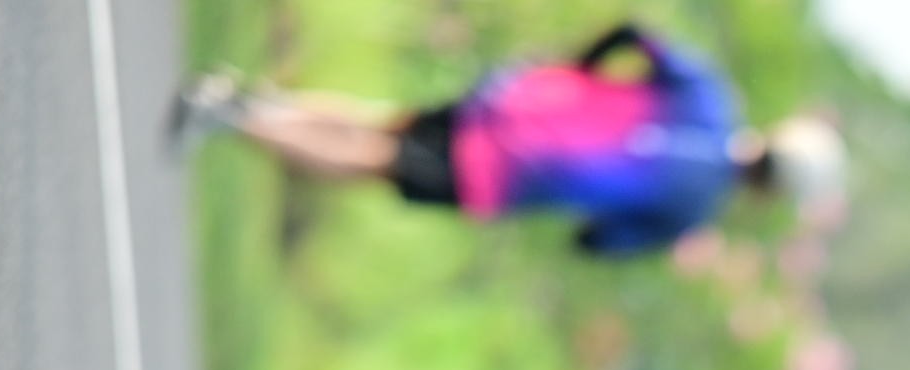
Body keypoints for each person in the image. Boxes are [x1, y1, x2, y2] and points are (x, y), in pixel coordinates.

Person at [169, 22, 846, 256]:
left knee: (386, 123)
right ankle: (233, 118)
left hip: (518, 99)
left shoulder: (711, 99)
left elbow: (635, 32)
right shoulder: (691, 211)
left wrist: (580, 70)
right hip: (505, 174)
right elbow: (597, 243)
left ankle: (254, 103)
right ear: (770, 193)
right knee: (373, 159)